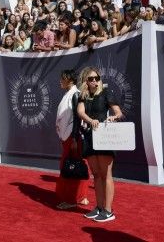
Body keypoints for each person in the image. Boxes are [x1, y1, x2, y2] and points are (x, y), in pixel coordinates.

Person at [77, 67, 123, 222]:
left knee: (106, 174)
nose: (94, 81)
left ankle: (108, 211)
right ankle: (99, 207)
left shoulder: (106, 94)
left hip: (104, 137)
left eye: (96, 78)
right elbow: (80, 112)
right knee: (96, 175)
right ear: (86, 81)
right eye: (91, 79)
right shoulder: (83, 96)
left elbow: (118, 112)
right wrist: (90, 121)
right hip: (90, 137)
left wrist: (114, 118)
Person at [55, 70, 89, 209]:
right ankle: (81, 196)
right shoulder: (70, 94)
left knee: (71, 167)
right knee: (76, 165)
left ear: (70, 80)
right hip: (69, 136)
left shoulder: (75, 94)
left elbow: (77, 118)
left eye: (62, 78)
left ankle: (71, 200)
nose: (60, 81)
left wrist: (74, 138)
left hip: (73, 137)